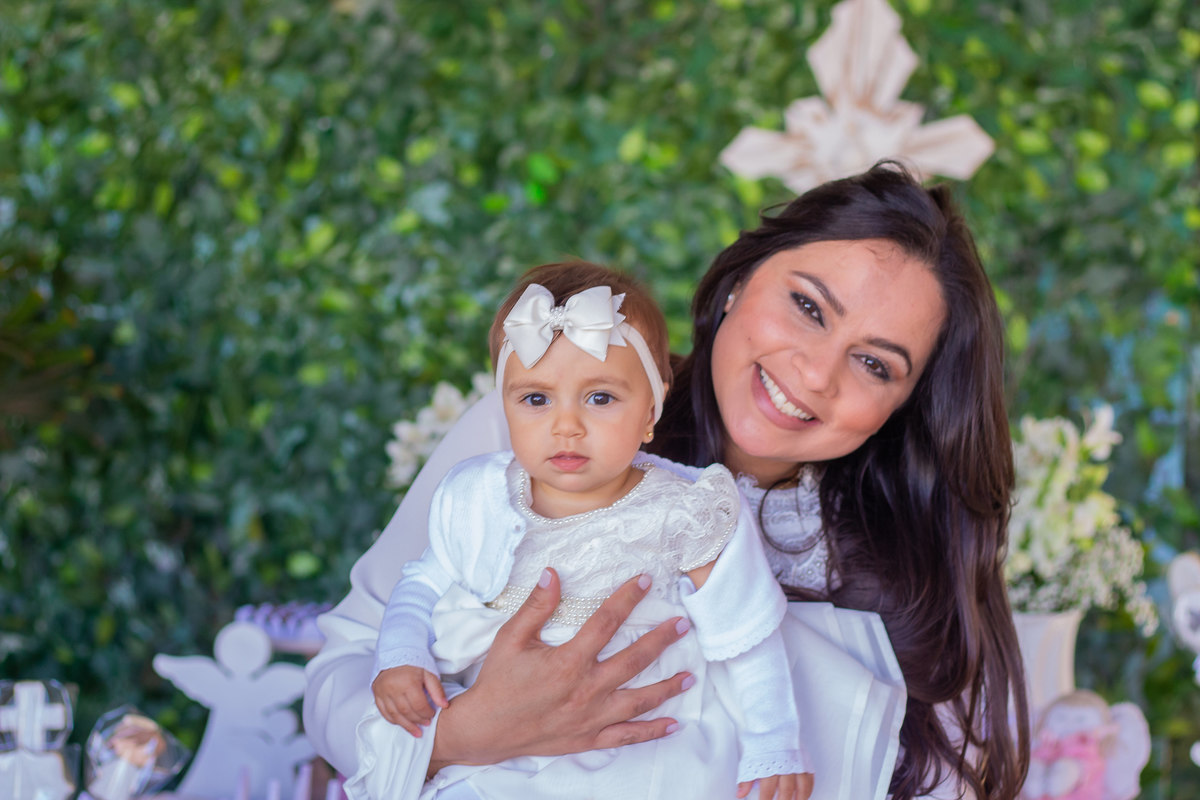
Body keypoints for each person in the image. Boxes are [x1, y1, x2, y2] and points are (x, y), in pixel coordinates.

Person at [304, 161, 1031, 800]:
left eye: (875, 364)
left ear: (904, 404)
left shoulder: (915, 571)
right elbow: (342, 667)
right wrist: (462, 733)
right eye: (807, 307)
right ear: (738, 284)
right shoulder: (536, 435)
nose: (815, 373)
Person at [344, 263, 812, 799]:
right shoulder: (479, 496)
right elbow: (420, 586)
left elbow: (747, 637)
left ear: (652, 405)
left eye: (600, 398)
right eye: (536, 399)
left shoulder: (683, 509)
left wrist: (773, 742)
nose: (566, 425)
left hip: (637, 746)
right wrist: (401, 658)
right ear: (506, 406)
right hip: (496, 750)